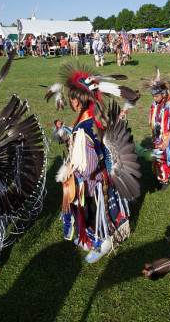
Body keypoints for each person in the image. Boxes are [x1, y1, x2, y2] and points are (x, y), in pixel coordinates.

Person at [45, 63, 141, 264]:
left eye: (71, 99)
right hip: (98, 179)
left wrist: (71, 171)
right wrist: (68, 134)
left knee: (94, 212)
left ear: (76, 102)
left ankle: (103, 241)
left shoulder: (84, 128)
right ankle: (94, 236)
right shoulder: (90, 119)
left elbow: (86, 166)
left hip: (92, 183)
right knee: (91, 211)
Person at [145, 68, 170, 191]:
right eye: (153, 96)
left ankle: (166, 178)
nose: (154, 98)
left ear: (164, 94)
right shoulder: (154, 105)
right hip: (157, 137)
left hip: (166, 137)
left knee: (165, 158)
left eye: (156, 96)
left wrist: (167, 140)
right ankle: (161, 176)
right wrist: (153, 134)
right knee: (158, 157)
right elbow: (153, 121)